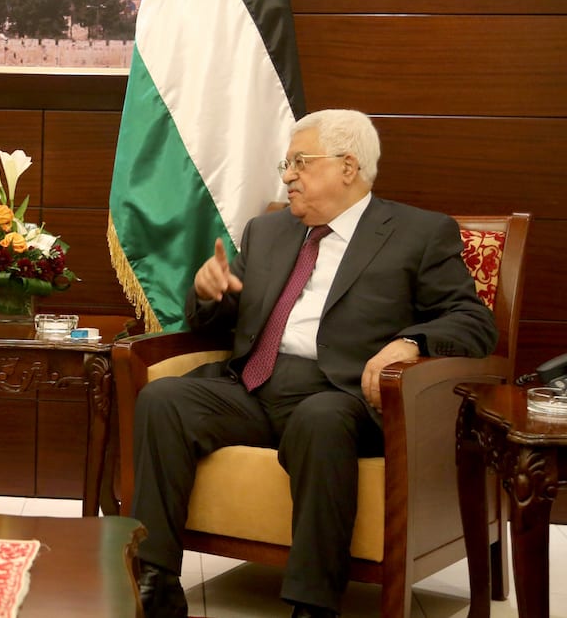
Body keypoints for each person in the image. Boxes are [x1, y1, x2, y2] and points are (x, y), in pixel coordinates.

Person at [132, 109, 497, 618]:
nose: (287, 176)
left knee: (319, 419)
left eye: (300, 162)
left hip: (343, 396)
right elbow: (219, 323)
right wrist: (207, 292)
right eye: (287, 163)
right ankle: (156, 581)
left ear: (348, 167)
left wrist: (411, 342)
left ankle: (313, 604)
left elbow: (473, 322)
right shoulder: (267, 230)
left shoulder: (418, 233)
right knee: (164, 398)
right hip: (254, 384)